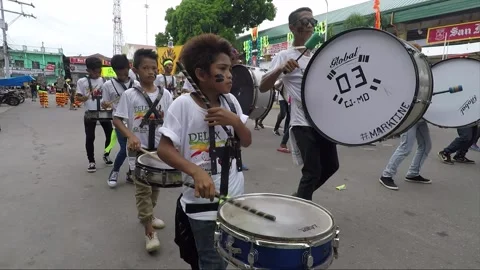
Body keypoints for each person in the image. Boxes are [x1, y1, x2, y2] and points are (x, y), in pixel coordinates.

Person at [157, 33, 251, 270]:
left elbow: (246, 141)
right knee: (210, 261)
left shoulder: (231, 102)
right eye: (222, 69)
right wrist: (196, 172)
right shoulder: (183, 105)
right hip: (201, 205)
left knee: (228, 255)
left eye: (230, 68)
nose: (230, 75)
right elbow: (164, 149)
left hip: (233, 198)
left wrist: (235, 122)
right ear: (200, 74)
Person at [260, 7, 339, 201]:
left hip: (324, 120)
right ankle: (303, 212)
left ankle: (301, 197)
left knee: (331, 166)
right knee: (311, 171)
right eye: (305, 22)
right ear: (293, 28)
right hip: (302, 121)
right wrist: (280, 69)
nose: (311, 26)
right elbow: (263, 86)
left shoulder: (318, 55)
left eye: (313, 21)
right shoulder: (284, 56)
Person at [113, 49, 173, 252]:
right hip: (139, 151)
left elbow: (173, 122)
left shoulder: (166, 95)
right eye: (145, 68)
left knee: (155, 188)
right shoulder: (130, 95)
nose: (150, 72)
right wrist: (130, 136)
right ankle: (149, 231)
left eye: (153, 68)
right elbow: (117, 119)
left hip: (159, 150)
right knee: (142, 190)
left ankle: (149, 214)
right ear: (136, 70)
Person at [102, 54, 140, 188]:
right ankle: (115, 172)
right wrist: (105, 104)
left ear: (128, 67)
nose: (121, 73)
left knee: (134, 149)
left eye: (123, 69)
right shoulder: (108, 85)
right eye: (117, 70)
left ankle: (131, 174)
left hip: (135, 121)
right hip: (119, 121)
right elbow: (104, 103)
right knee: (125, 149)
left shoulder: (136, 84)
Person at [76, 57, 114, 172]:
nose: (97, 74)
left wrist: (108, 104)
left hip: (104, 113)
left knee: (110, 135)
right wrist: (83, 98)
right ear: (88, 70)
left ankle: (106, 154)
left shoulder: (105, 81)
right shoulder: (81, 82)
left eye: (99, 71)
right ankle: (91, 161)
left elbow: (109, 98)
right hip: (90, 113)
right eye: (95, 71)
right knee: (90, 137)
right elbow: (77, 97)